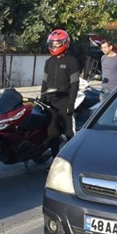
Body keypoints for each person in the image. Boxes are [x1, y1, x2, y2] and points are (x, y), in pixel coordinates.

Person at [41, 29, 80, 157]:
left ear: (64, 43)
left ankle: (72, 159)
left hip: (65, 102)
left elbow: (74, 84)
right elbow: (44, 82)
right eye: (52, 43)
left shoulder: (72, 61)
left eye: (57, 43)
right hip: (51, 103)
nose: (54, 46)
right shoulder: (48, 62)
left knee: (69, 134)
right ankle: (55, 160)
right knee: (53, 134)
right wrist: (42, 99)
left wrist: (71, 104)